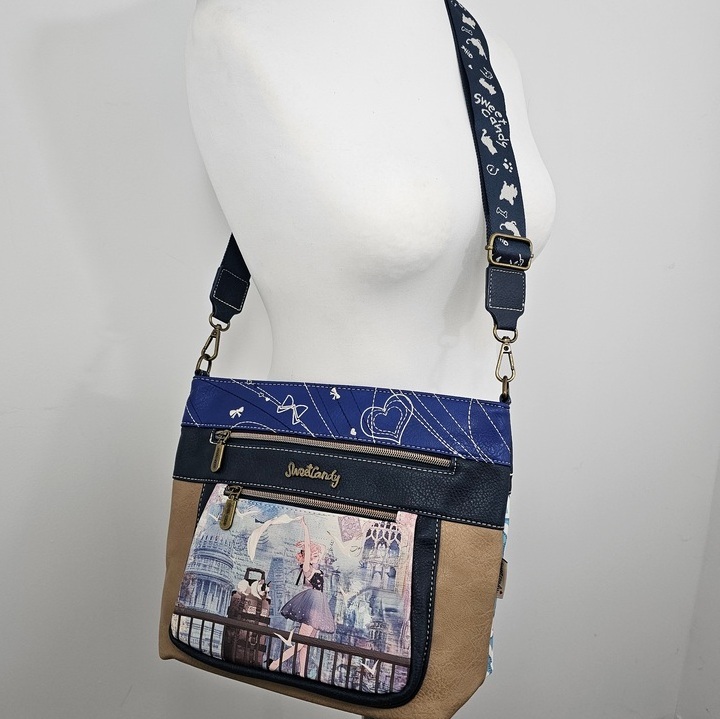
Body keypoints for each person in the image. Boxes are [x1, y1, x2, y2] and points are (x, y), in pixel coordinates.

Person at [269, 517, 335, 674]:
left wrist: (311, 545)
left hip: (318, 607)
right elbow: (311, 552)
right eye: (313, 554)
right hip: (313, 607)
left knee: (305, 645)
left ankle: (303, 673)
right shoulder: (307, 569)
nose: (316, 555)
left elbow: (322, 549)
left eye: (316, 554)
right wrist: (305, 529)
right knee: (300, 643)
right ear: (307, 557)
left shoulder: (317, 568)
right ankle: (275, 663)